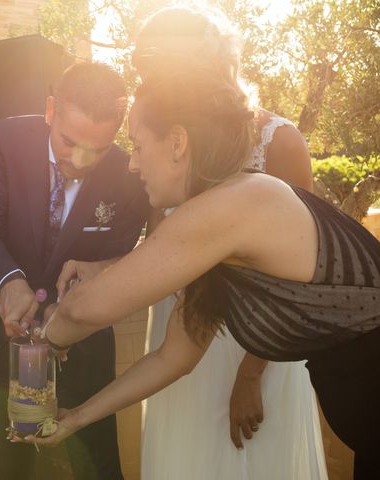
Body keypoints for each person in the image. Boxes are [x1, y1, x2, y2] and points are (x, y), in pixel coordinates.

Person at [24, 69, 380, 480]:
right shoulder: (216, 223)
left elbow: (87, 308)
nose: (133, 166)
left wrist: (41, 342)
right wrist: (78, 418)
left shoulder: (235, 203)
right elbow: (174, 358)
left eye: (138, 146)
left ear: (177, 142)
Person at [130, 7, 326, 479]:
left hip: (257, 341)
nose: (146, 82)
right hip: (180, 336)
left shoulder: (278, 141)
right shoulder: (167, 142)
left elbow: (300, 276)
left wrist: (251, 374)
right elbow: (159, 250)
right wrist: (91, 285)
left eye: (153, 69)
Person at [0, 62, 149, 479]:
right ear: (51, 110)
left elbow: (116, 263)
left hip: (84, 340)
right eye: (69, 142)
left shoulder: (131, 175)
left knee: (96, 460)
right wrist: (9, 281)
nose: (79, 160)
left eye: (97, 148)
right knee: (8, 463)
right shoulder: (7, 139)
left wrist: (72, 308)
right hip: (1, 333)